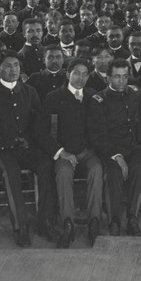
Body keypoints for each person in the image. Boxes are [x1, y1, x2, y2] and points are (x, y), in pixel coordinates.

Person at [0, 52, 56, 247]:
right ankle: (21, 227)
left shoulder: (29, 92)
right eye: (8, 66)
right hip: (2, 151)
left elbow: (39, 125)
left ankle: (45, 221)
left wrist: (27, 140)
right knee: (11, 174)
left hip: (26, 147)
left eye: (16, 66)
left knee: (46, 166)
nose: (13, 70)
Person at [36, 57, 104, 248]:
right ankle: (68, 223)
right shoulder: (54, 97)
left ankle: (94, 222)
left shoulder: (94, 95)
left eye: (85, 74)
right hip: (65, 153)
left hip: (88, 152)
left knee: (97, 170)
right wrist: (60, 152)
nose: (81, 78)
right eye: (76, 73)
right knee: (64, 173)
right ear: (67, 74)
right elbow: (40, 131)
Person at [87, 58, 141, 237]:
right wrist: (117, 156)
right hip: (110, 149)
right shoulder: (99, 100)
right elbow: (97, 136)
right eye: (117, 77)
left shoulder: (136, 93)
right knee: (114, 174)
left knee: (140, 168)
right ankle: (114, 220)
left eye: (125, 77)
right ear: (108, 78)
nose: (121, 81)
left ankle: (133, 218)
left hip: (134, 146)